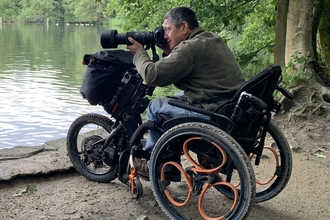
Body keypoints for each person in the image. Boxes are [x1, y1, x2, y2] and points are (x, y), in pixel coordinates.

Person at [127, 6, 246, 178]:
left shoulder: (188, 49)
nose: (165, 34)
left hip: (212, 113)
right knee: (175, 98)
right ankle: (170, 153)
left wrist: (139, 53)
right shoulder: (211, 38)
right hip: (231, 108)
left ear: (183, 27)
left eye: (168, 29)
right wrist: (169, 50)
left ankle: (155, 164)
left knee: (155, 105)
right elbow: (189, 67)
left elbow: (152, 75)